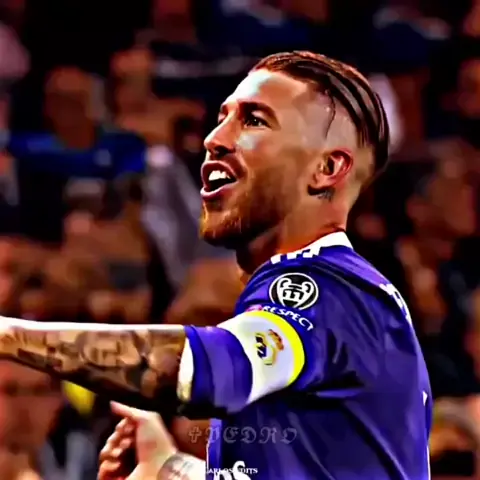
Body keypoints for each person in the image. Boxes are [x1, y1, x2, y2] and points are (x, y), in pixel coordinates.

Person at [0, 51, 431, 479]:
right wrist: (169, 468)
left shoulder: (328, 287)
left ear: (326, 168)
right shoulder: (329, 306)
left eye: (254, 121)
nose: (214, 139)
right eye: (222, 117)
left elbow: (209, 371)